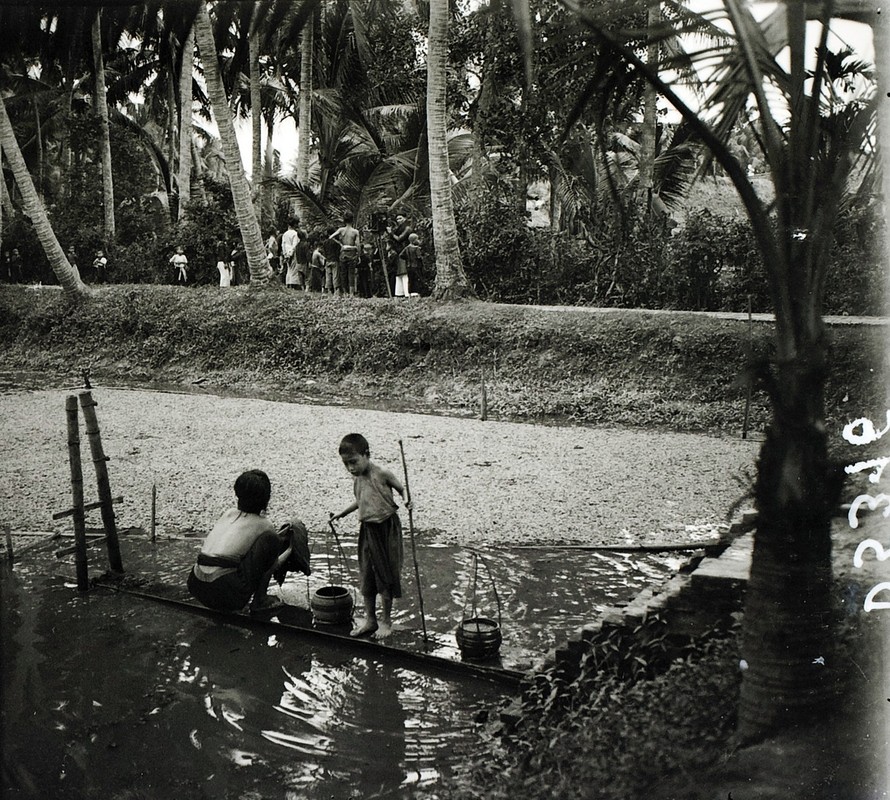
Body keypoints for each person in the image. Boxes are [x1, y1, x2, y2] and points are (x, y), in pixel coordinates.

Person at [187, 469, 312, 614]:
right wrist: (290, 549)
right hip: (223, 592)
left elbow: (237, 548)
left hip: (196, 584)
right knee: (270, 539)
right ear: (266, 499)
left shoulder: (228, 514)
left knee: (263, 542)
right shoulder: (265, 526)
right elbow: (273, 564)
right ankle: (260, 600)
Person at [331, 433, 409, 639]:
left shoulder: (382, 473)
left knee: (386, 576)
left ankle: (386, 622)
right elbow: (362, 500)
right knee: (367, 575)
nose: (351, 468)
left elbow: (402, 489)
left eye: (354, 462)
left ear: (366, 455)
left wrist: (408, 500)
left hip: (386, 529)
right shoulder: (357, 478)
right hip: (367, 530)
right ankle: (370, 620)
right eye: (346, 464)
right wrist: (342, 513)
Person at [329, 212, 360, 295]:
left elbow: (330, 237)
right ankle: (351, 294)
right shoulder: (355, 232)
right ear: (352, 220)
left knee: (343, 274)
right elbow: (358, 244)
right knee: (351, 274)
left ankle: (345, 292)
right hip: (352, 255)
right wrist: (358, 253)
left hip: (343, 254)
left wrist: (341, 244)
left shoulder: (341, 230)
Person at [397, 233, 422, 298]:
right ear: (414, 240)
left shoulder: (407, 248)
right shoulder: (417, 248)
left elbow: (401, 255)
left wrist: (407, 259)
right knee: (416, 279)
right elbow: (419, 257)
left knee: (410, 280)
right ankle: (416, 293)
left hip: (408, 266)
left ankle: (410, 293)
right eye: (417, 239)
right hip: (415, 266)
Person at [281, 219, 300, 289]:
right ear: (294, 224)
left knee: (289, 269)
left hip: (286, 252)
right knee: (294, 270)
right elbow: (294, 245)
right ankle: (293, 285)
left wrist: (285, 254)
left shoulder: (285, 234)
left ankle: (288, 284)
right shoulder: (295, 234)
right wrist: (290, 254)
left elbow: (283, 245)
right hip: (293, 253)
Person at [322, 227, 341, 294]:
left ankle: (329, 290)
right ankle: (336, 290)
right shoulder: (336, 243)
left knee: (328, 276)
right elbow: (338, 251)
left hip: (328, 260)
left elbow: (324, 252)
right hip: (335, 260)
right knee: (335, 276)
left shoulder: (325, 242)